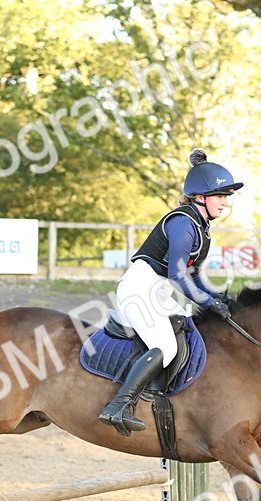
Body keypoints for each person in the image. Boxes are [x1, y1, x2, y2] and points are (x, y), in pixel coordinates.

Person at [99, 148, 243, 436]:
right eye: (220, 196)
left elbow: (192, 276)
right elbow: (177, 275)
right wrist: (207, 302)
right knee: (166, 347)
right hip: (139, 289)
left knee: (186, 330)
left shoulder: (201, 228)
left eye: (227, 196)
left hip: (158, 293)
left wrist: (216, 299)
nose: (225, 202)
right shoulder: (183, 223)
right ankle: (117, 406)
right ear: (201, 196)